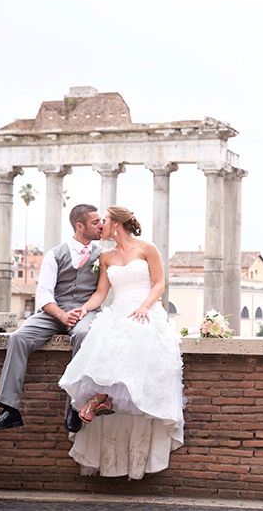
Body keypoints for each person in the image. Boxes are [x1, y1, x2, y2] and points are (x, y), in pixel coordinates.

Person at [58, 205, 184, 479]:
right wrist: (84, 309)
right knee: (106, 345)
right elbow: (102, 293)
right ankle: (103, 398)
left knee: (135, 341)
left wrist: (145, 307)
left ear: (117, 224)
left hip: (145, 310)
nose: (100, 225)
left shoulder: (147, 248)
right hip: (117, 311)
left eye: (104, 221)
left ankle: (104, 399)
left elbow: (159, 284)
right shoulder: (105, 257)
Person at [0, 204, 104, 432]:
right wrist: (61, 315)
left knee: (84, 335)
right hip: (54, 311)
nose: (101, 225)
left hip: (86, 312)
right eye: (96, 222)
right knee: (19, 337)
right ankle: (10, 409)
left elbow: (100, 292)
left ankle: (75, 407)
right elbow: (44, 294)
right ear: (80, 226)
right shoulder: (55, 254)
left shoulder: (102, 256)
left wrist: (81, 311)